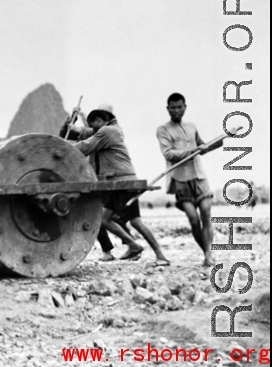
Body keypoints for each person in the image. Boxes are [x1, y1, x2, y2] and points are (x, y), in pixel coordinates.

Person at [62, 104, 170, 266]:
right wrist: (70, 121)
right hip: (113, 184)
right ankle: (133, 245)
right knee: (103, 219)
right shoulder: (104, 130)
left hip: (124, 182)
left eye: (92, 125)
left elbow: (85, 146)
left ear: (99, 121)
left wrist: (61, 150)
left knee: (135, 221)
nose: (91, 129)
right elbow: (70, 133)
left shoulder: (108, 132)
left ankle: (161, 256)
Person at [157, 93, 222, 267]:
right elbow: (168, 153)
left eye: (180, 107)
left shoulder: (192, 126)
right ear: (168, 109)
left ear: (185, 107)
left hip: (199, 177)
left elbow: (202, 147)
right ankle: (206, 251)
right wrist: (194, 150)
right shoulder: (163, 130)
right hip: (180, 179)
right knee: (194, 219)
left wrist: (216, 143)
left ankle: (208, 255)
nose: (177, 110)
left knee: (206, 214)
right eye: (173, 107)